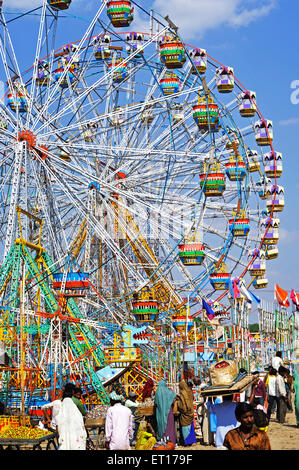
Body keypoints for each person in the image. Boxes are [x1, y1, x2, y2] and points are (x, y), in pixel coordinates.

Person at [56, 383, 87, 450]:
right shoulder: (75, 401)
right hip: (75, 435)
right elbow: (82, 414)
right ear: (73, 391)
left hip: (64, 434)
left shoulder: (60, 401)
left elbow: (58, 421)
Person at [154, 380, 176, 445]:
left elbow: (156, 403)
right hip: (169, 412)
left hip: (160, 413)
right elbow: (174, 397)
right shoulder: (169, 392)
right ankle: (171, 441)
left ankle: (163, 440)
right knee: (170, 426)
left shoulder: (157, 392)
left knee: (162, 426)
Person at [176, 379, 197, 446]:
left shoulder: (182, 393)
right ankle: (193, 441)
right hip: (191, 411)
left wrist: (177, 402)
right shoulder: (189, 390)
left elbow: (182, 405)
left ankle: (187, 442)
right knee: (191, 428)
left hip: (185, 413)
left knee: (185, 428)